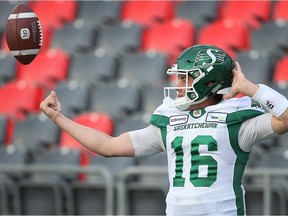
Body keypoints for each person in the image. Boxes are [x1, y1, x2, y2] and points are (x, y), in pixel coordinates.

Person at [40, 44, 288, 215]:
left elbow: (285, 118)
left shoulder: (237, 120)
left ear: (208, 82)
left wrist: (250, 88)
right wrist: (59, 118)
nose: (178, 85)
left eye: (184, 78)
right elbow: (108, 146)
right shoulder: (170, 119)